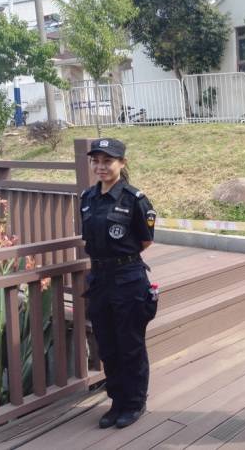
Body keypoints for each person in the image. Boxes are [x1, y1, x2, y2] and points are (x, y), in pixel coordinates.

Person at [80, 138, 158, 429]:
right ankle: (117, 401)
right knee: (107, 345)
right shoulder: (87, 197)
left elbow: (145, 240)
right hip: (100, 280)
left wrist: (119, 259)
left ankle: (134, 403)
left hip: (128, 278)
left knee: (130, 344)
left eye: (107, 161)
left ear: (122, 163)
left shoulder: (134, 199)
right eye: (96, 161)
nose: (100, 166)